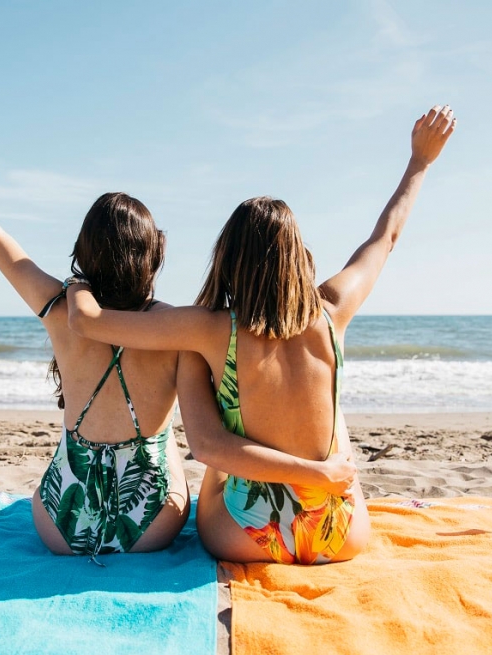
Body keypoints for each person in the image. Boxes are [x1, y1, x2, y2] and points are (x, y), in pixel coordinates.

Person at [0, 121, 343, 559]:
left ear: (83, 250)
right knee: (168, 439)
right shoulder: (178, 330)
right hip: (152, 526)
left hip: (60, 525)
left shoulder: (59, 309)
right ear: (153, 254)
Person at [66, 105, 457, 564]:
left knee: (216, 456)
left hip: (249, 537)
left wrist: (78, 282)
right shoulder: (333, 311)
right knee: (336, 420)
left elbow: (88, 322)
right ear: (297, 255)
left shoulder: (210, 328)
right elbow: (385, 237)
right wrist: (420, 162)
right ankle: (321, 480)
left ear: (227, 257)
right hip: (338, 534)